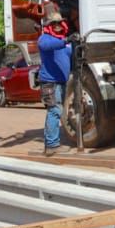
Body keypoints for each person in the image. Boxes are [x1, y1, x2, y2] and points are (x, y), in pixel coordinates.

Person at [37, 11, 73, 156]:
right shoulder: (44, 39)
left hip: (61, 82)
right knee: (54, 111)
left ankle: (53, 143)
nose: (57, 26)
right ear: (48, 26)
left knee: (58, 111)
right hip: (50, 83)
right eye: (54, 24)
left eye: (59, 23)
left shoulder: (63, 41)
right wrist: (66, 41)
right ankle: (51, 145)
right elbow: (48, 46)